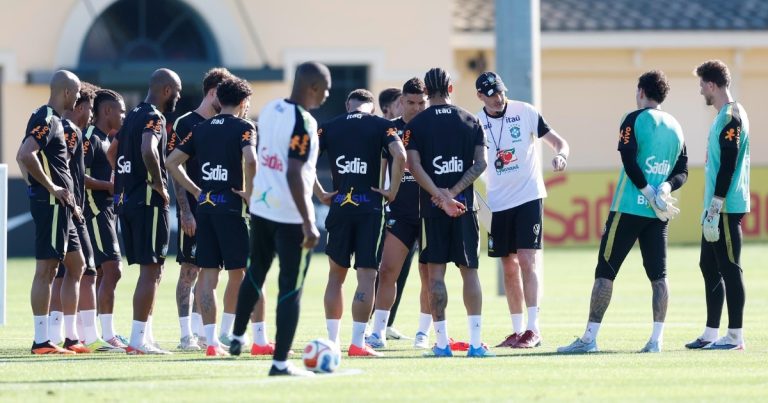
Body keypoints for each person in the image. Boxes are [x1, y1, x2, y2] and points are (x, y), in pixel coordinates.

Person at [557, 70, 687, 354]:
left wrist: (648, 191)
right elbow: (683, 170)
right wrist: (664, 189)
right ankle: (656, 341)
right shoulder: (676, 126)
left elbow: (628, 159)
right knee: (659, 276)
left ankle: (589, 339)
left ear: (641, 91)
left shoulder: (633, 118)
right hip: (657, 214)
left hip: (628, 208)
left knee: (605, 271)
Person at [228, 61, 331, 377]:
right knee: (291, 287)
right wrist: (308, 221)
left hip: (261, 207)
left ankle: (236, 334)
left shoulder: (270, 109)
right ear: (313, 88)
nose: (327, 95)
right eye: (326, 89)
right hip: (289, 216)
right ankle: (281, 363)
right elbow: (294, 170)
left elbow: (274, 160)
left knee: (256, 270)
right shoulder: (305, 123)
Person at [474, 71, 569, 348]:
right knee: (508, 266)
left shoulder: (525, 111)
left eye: (501, 92)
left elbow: (558, 142)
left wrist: (561, 155)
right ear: (480, 96)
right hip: (498, 202)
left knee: (528, 260)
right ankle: (517, 331)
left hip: (528, 196)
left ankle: (533, 329)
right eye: (491, 95)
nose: (498, 98)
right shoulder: (475, 123)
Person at [405, 67, 492, 358]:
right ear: (451, 89)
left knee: (435, 276)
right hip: (465, 207)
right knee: (470, 274)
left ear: (426, 93)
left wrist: (440, 197)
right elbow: (481, 164)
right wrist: (453, 194)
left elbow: (413, 167)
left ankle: (441, 344)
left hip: (432, 211)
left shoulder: (416, 125)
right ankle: (476, 344)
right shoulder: (471, 120)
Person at [167, 77, 257, 357]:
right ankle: (227, 332)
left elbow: (171, 162)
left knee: (207, 276)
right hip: (231, 209)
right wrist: (250, 194)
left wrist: (196, 190)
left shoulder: (201, 128)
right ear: (243, 103)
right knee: (238, 273)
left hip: (205, 209)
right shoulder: (245, 127)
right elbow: (251, 160)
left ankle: (210, 342)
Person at [319, 89, 405, 357]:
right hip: (370, 209)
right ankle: (358, 343)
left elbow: (304, 162)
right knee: (367, 275)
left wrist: (320, 193)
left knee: (336, 276)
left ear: (348, 104)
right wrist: (392, 192)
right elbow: (400, 156)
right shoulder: (383, 125)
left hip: (340, 205)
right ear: (372, 108)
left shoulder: (329, 127)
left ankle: (332, 342)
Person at [109, 68, 181, 354]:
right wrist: (158, 182)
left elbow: (111, 153)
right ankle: (137, 340)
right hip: (147, 202)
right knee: (151, 271)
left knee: (153, 270)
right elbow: (149, 149)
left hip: (127, 201)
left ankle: (145, 336)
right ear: (166, 90)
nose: (177, 96)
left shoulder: (133, 115)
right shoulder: (155, 117)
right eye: (175, 91)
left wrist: (125, 178)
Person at [17, 70, 85, 354]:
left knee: (77, 264)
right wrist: (51, 187)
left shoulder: (54, 120)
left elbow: (25, 157)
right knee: (46, 269)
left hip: (63, 205)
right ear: (67, 92)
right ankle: (41, 340)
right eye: (78, 92)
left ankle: (69, 336)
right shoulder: (46, 117)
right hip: (53, 205)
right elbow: (25, 154)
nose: (80, 97)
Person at [166, 67, 233, 350]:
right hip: (195, 209)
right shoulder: (185, 123)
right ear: (213, 92)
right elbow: (174, 165)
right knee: (189, 270)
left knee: (210, 272)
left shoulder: (225, 123)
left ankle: (203, 333)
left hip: (219, 211)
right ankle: (185, 336)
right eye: (224, 93)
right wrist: (185, 210)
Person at [686, 60, 750, 351]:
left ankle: (735, 336)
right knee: (708, 265)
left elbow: (729, 162)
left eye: (702, 85)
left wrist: (716, 204)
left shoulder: (731, 116)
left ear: (712, 85)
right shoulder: (723, 115)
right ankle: (711, 332)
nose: (701, 91)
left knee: (729, 267)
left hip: (723, 207)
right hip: (715, 207)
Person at [368, 79, 431, 349]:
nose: (416, 108)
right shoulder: (389, 129)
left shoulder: (434, 128)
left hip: (430, 212)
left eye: (421, 103)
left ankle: (424, 332)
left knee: (429, 275)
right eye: (410, 102)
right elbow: (382, 165)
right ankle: (378, 331)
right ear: (401, 101)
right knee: (387, 271)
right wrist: (383, 195)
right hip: (400, 212)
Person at [83, 89, 128, 349]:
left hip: (107, 210)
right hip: (95, 210)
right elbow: (77, 176)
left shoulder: (105, 140)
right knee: (113, 269)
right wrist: (109, 186)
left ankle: (97, 334)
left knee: (101, 272)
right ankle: (108, 335)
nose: (123, 115)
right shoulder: (90, 137)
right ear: (107, 111)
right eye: (120, 110)